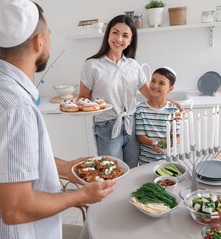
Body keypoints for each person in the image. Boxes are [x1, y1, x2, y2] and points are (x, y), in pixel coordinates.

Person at [0, 0, 117, 238]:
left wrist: (67, 168)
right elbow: (16, 209)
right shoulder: (15, 108)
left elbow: (9, 161)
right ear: (38, 41)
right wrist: (82, 196)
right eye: (50, 34)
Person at [78, 15, 183, 168]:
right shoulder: (92, 65)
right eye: (115, 32)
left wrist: (176, 107)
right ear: (108, 34)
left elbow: (151, 94)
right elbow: (83, 98)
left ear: (130, 40)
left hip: (132, 124)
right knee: (112, 172)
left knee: (132, 170)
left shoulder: (133, 65)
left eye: (125, 35)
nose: (119, 38)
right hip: (106, 126)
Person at [135, 67, 180, 165]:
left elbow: (176, 136)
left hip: (168, 161)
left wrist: (173, 144)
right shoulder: (140, 109)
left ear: (170, 89)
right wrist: (154, 144)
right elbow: (140, 136)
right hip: (146, 162)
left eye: (161, 83)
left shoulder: (173, 111)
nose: (155, 85)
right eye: (153, 81)